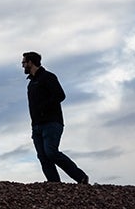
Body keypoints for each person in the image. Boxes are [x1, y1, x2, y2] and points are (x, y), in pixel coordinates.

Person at [22, 51, 90, 184]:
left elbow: (60, 95)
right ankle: (55, 185)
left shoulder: (48, 77)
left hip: (52, 123)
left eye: (24, 62)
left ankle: (81, 177)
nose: (22, 66)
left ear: (30, 62)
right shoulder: (30, 84)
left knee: (51, 152)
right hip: (36, 126)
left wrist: (43, 108)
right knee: (42, 156)